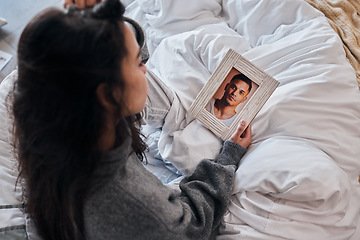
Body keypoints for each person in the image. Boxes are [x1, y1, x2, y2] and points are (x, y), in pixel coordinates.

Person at [12, 0, 252, 240]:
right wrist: (227, 158)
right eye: (138, 63)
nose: (145, 68)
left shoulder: (50, 108)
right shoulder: (142, 208)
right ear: (107, 94)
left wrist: (92, 22)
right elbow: (193, 226)